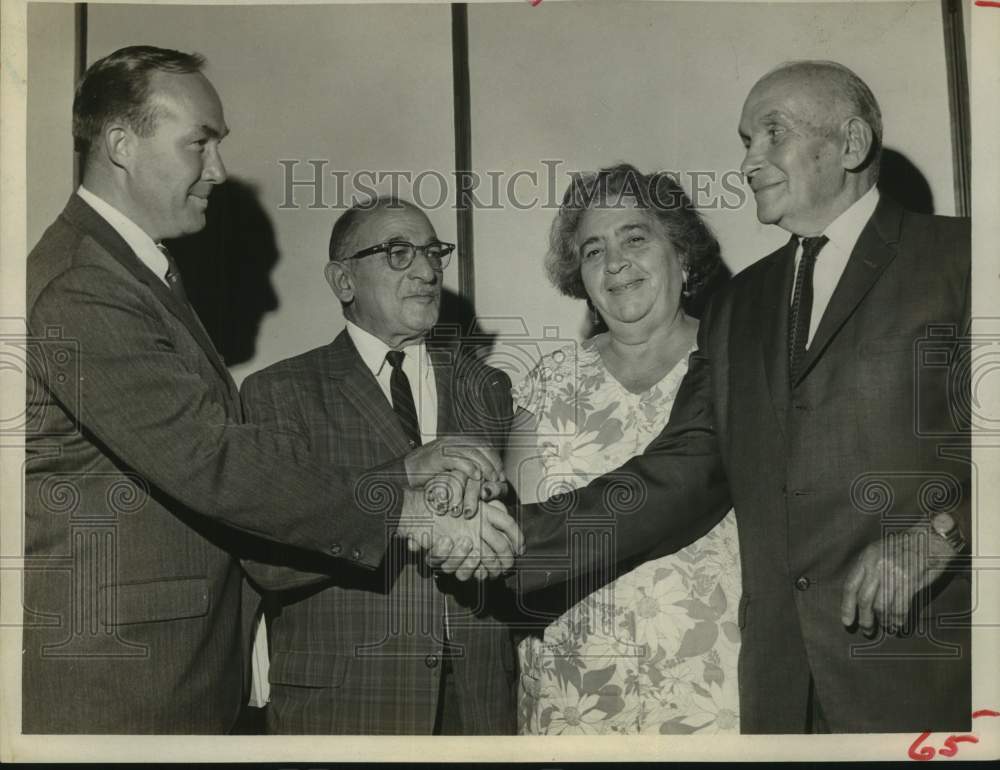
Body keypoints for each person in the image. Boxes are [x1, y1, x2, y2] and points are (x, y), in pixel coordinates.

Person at [23, 45, 518, 734]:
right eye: (201, 143)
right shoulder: (83, 284)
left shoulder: (129, 273)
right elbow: (209, 459)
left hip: (161, 674)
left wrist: (404, 466)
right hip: (120, 683)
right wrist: (411, 510)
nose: (219, 171)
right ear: (120, 144)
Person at [507, 61, 971, 733]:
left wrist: (945, 533)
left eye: (770, 134)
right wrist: (502, 547)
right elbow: (681, 471)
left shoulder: (964, 258)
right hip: (775, 694)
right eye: (745, 140)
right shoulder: (740, 304)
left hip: (929, 673)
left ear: (850, 143)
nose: (748, 161)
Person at [239, 197, 520, 735]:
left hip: (478, 703)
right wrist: (404, 474)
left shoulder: (487, 387)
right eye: (398, 252)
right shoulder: (280, 393)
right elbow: (265, 558)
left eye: (433, 252)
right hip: (346, 707)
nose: (428, 269)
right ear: (343, 281)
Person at [505, 165, 739, 735]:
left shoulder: (737, 361)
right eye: (593, 251)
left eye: (635, 238)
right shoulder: (548, 380)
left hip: (714, 686)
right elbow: (520, 540)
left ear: (682, 255)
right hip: (572, 694)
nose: (614, 263)